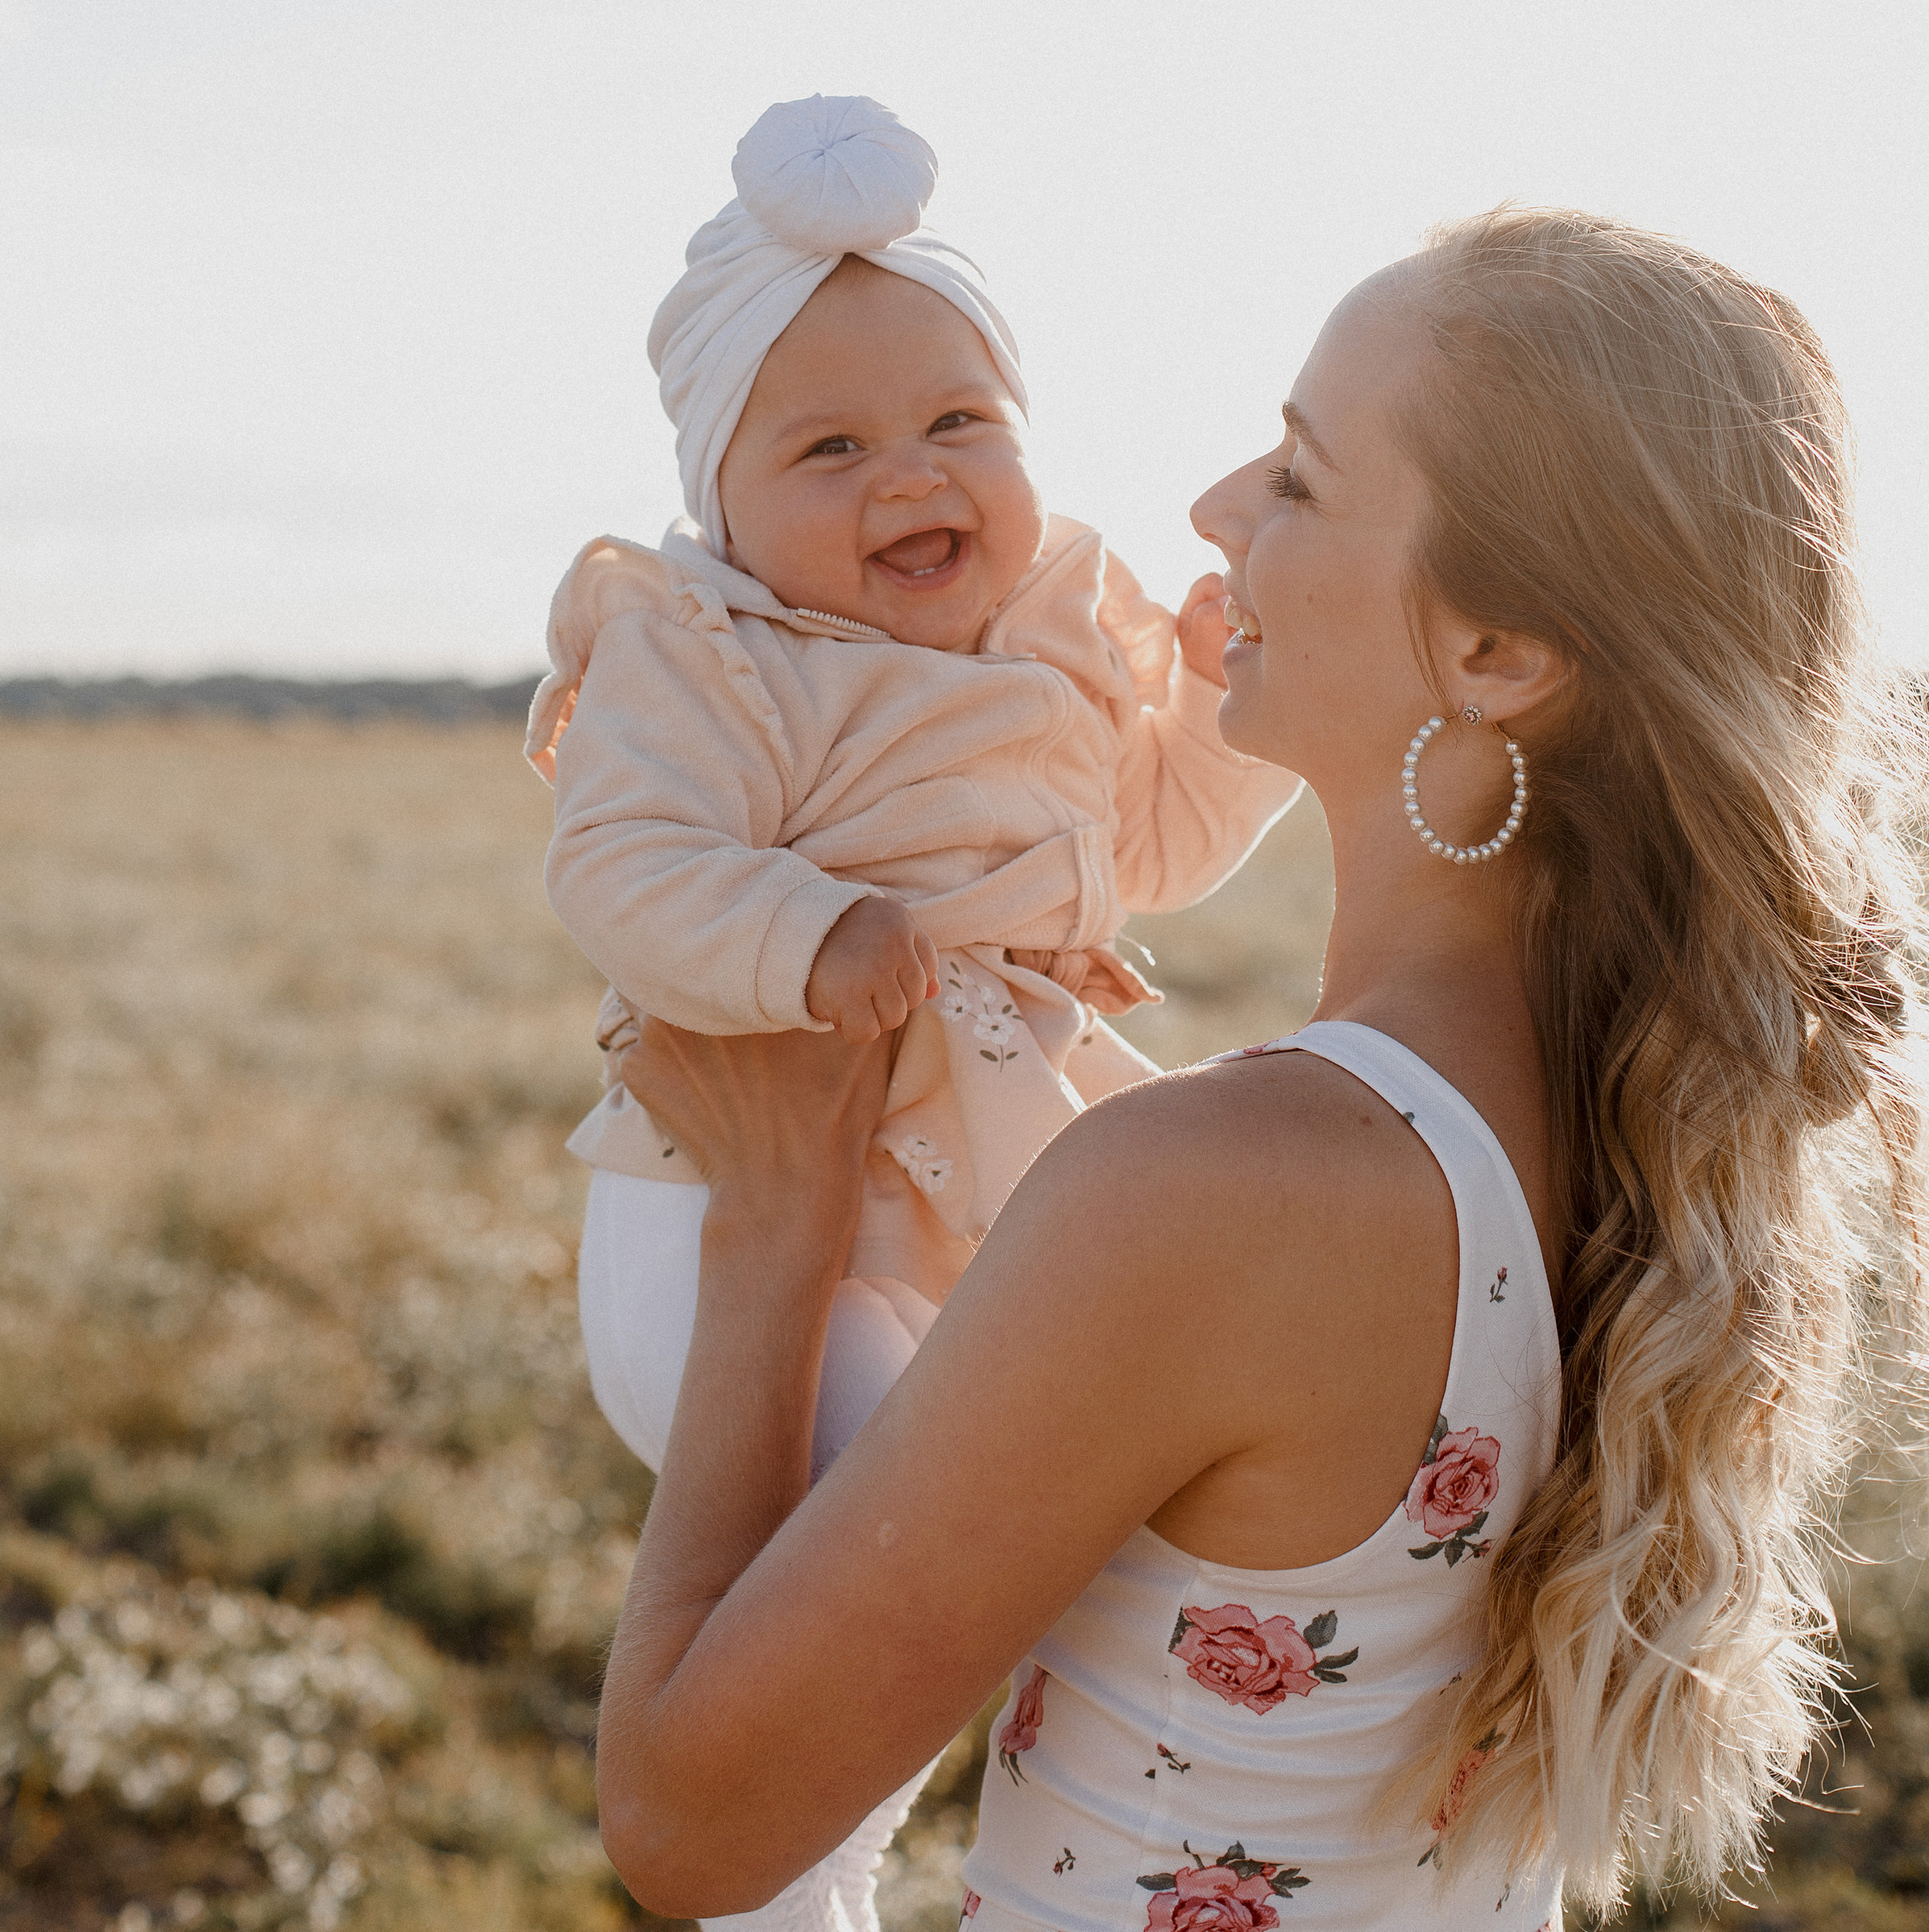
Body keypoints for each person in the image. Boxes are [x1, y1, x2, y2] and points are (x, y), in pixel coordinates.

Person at [589, 207, 1927, 1932]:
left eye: (1296, 479)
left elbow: (690, 1824)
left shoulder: (1211, 1194)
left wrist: (774, 1237)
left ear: (1497, 655)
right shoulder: (1646, 1131)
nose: (1218, 506)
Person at [528, 94, 1298, 1929]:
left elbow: (1147, 857)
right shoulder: (712, 652)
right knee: (904, 1542)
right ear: (722, 501)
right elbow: (618, 867)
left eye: (961, 422)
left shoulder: (1049, 645)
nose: (911, 476)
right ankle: (788, 1880)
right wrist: (805, 929)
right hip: (725, 1220)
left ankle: (877, 1861)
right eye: (829, 447)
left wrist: (1198, 718)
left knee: (984, 1545)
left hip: (972, 1186)